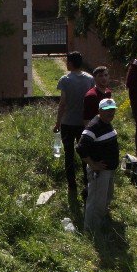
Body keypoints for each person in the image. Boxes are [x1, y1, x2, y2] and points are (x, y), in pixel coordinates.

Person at [53, 51, 95, 199]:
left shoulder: (65, 80)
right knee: (85, 154)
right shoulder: (90, 79)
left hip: (68, 122)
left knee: (69, 154)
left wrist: (57, 122)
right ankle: (87, 182)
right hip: (84, 123)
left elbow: (62, 103)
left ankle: (72, 185)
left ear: (70, 63)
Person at [76, 98, 120, 232]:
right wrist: (93, 164)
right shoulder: (94, 126)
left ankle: (100, 223)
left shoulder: (106, 123)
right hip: (99, 171)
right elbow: (80, 147)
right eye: (107, 111)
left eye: (112, 110)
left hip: (109, 170)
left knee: (106, 197)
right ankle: (91, 230)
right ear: (99, 111)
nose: (110, 113)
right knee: (96, 201)